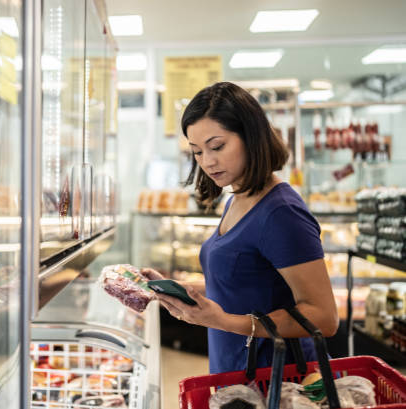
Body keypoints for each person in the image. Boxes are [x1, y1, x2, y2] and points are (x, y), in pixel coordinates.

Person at [143, 82, 338, 374]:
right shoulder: (236, 198)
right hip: (236, 370)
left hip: (276, 380)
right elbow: (246, 285)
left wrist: (222, 321)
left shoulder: (281, 212)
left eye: (217, 146)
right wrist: (185, 293)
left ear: (251, 136)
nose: (207, 161)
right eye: (196, 152)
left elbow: (324, 318)